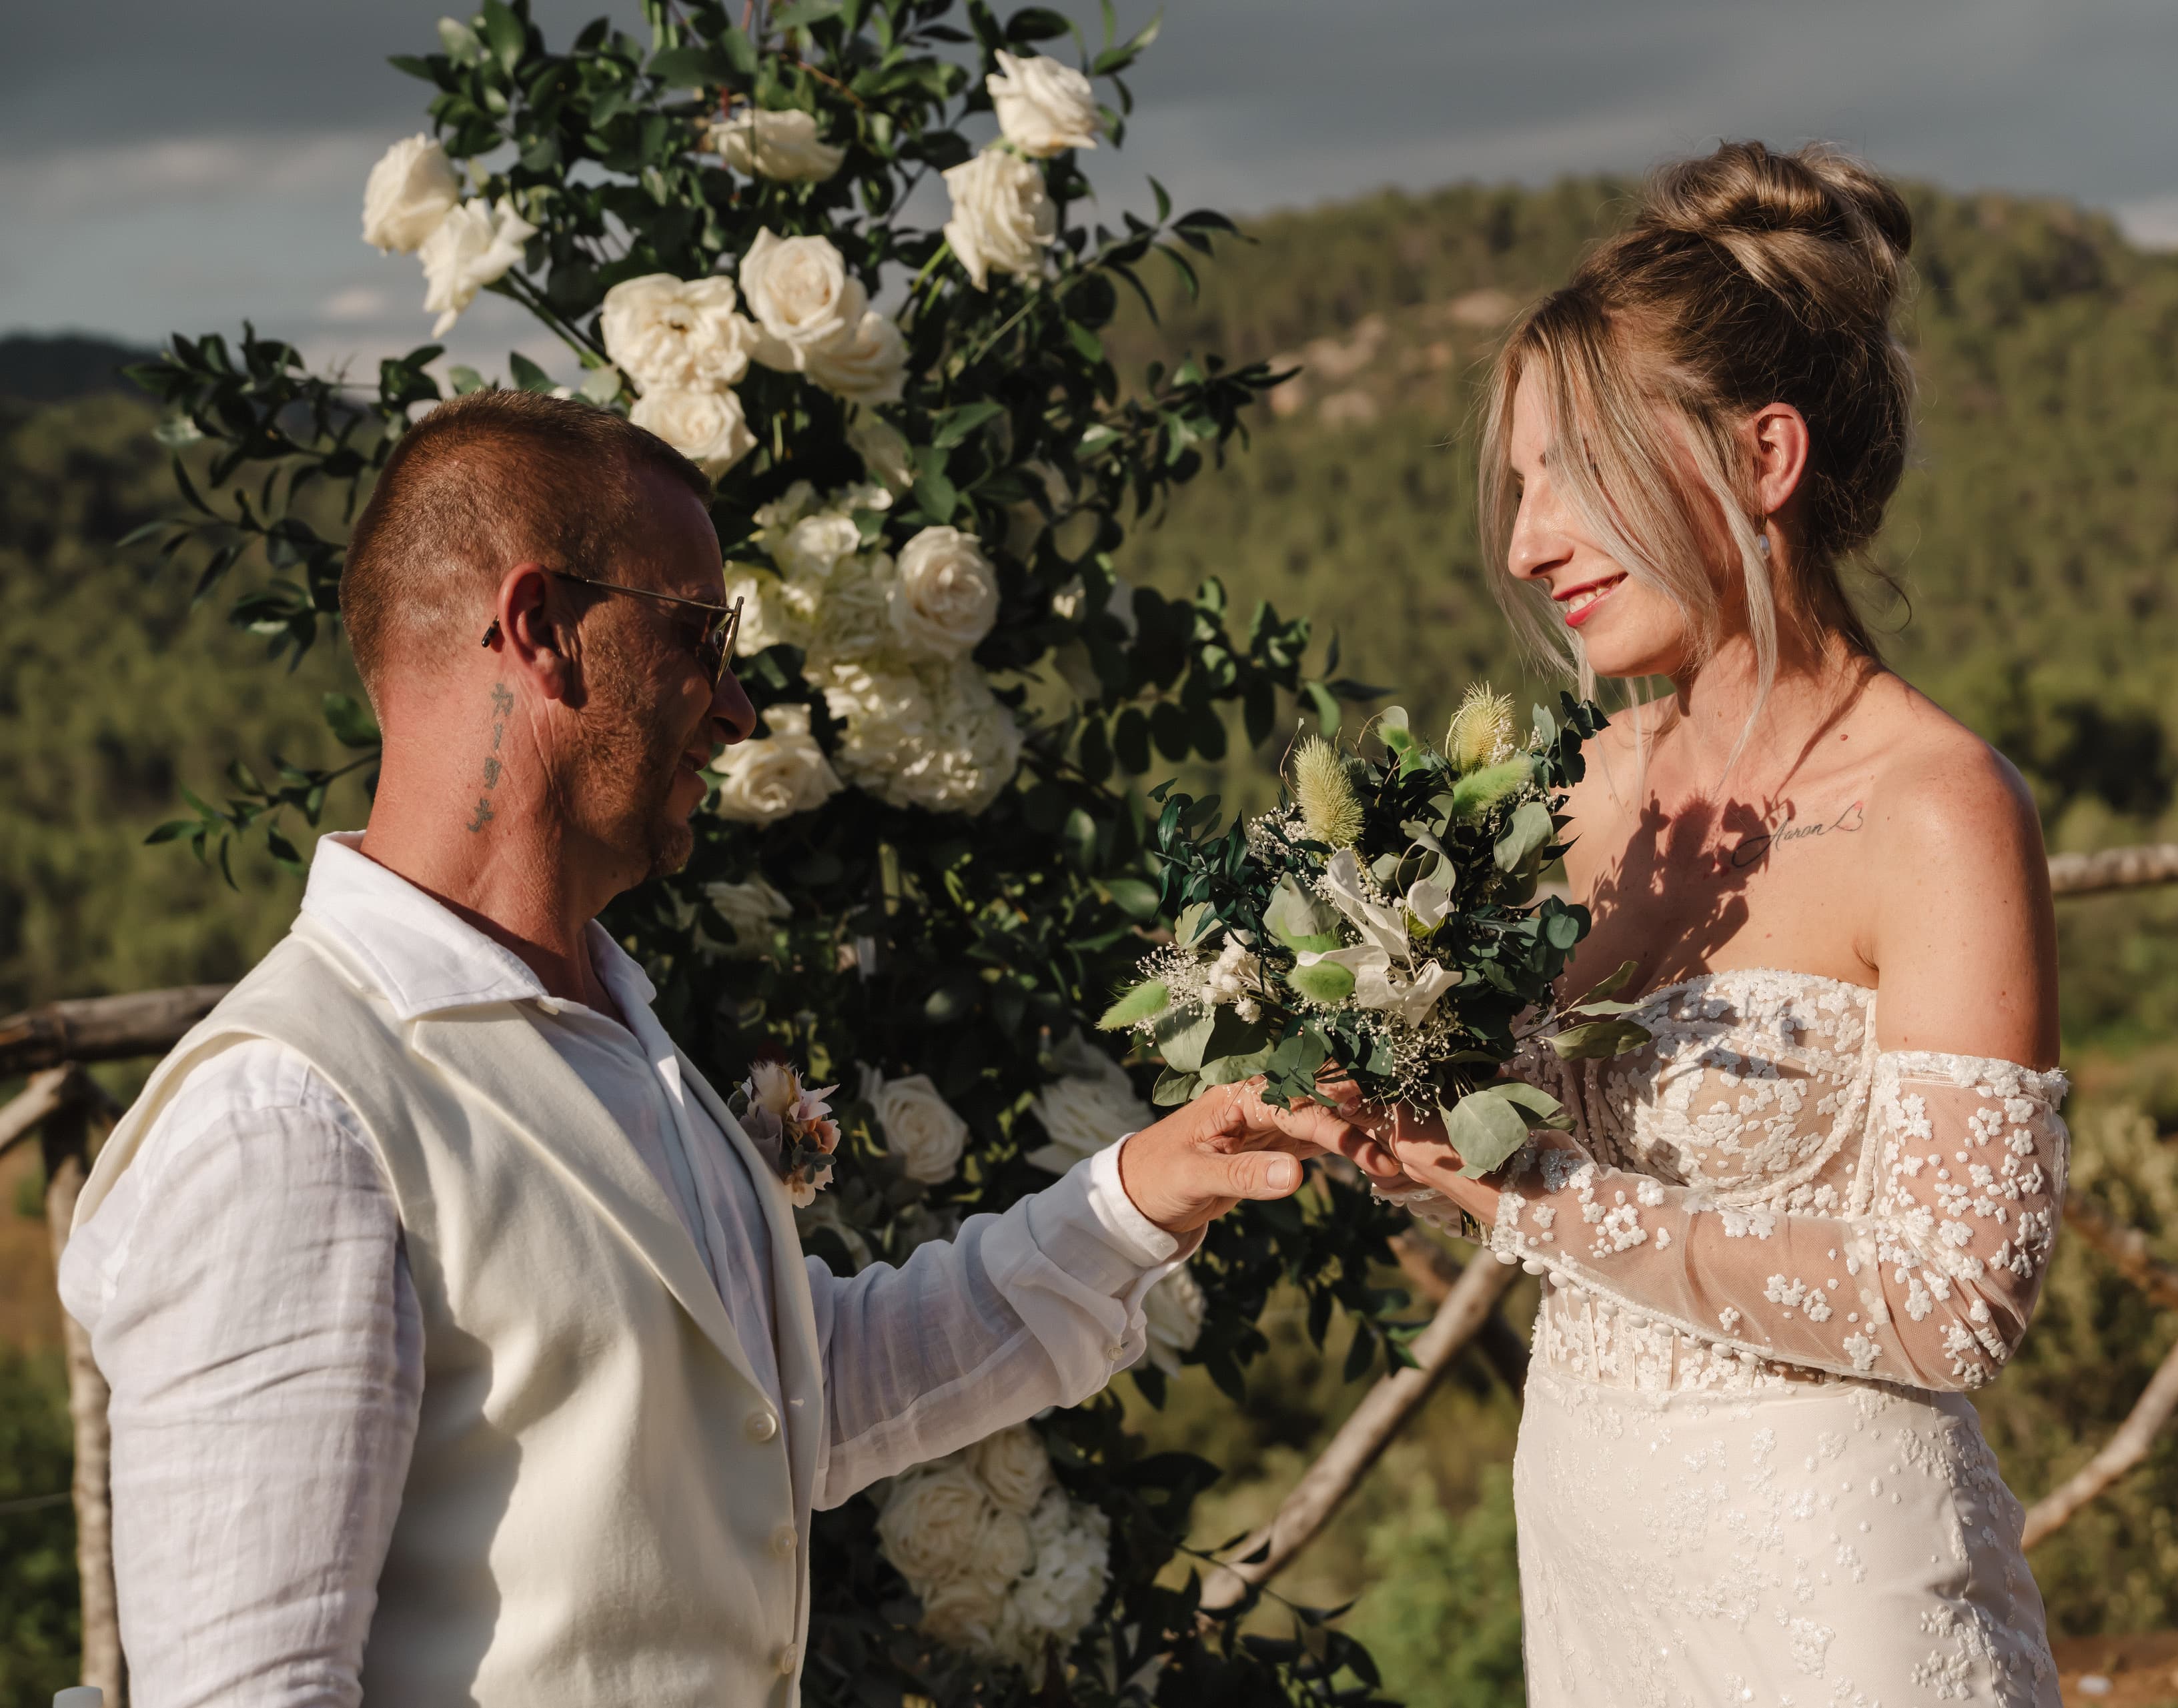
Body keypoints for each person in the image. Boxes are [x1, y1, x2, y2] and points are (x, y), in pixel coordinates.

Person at [55, 389, 1387, 1706]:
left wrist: (1137, 1197)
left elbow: (782, 1402)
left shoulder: (615, 1032)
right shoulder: (289, 1117)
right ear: (542, 631)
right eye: (703, 633)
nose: (739, 705)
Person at [1354, 142, 2070, 1707]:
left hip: (1837, 1589)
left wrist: (1526, 1199)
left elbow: (1955, 1303)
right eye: (1523, 484)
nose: (1528, 541)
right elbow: (1513, 1172)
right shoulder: (1577, 796)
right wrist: (1382, 1116)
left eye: (1574, 473)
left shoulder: (1937, 808)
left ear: (1764, 459)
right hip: (1593, 1550)